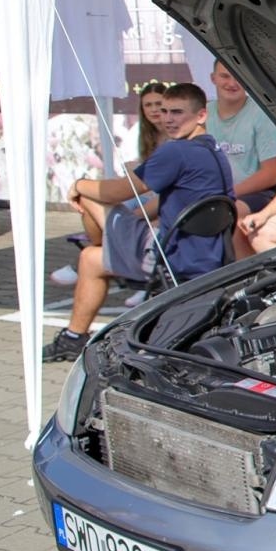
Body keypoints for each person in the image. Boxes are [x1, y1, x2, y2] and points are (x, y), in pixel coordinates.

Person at [42, 83, 235, 362]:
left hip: (170, 258)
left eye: (178, 112)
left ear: (201, 115)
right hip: (208, 254)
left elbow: (116, 192)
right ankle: (74, 337)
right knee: (91, 259)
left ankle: (104, 247)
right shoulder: (213, 149)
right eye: (165, 111)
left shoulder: (176, 151)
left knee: (91, 199)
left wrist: (78, 184)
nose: (168, 118)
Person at [49, 81, 171, 287]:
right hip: (145, 193)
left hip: (162, 197)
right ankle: (103, 255)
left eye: (158, 104)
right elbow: (136, 178)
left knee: (111, 207)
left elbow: (155, 184)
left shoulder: (174, 138)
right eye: (148, 105)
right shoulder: (143, 135)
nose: (154, 110)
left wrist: (80, 185)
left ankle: (89, 261)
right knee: (95, 200)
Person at [207, 61, 276, 215]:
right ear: (213, 78)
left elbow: (271, 174)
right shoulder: (203, 113)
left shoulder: (264, 114)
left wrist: (224, 195)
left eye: (238, 77)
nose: (232, 83)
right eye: (225, 76)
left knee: (223, 214)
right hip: (216, 195)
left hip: (265, 193)